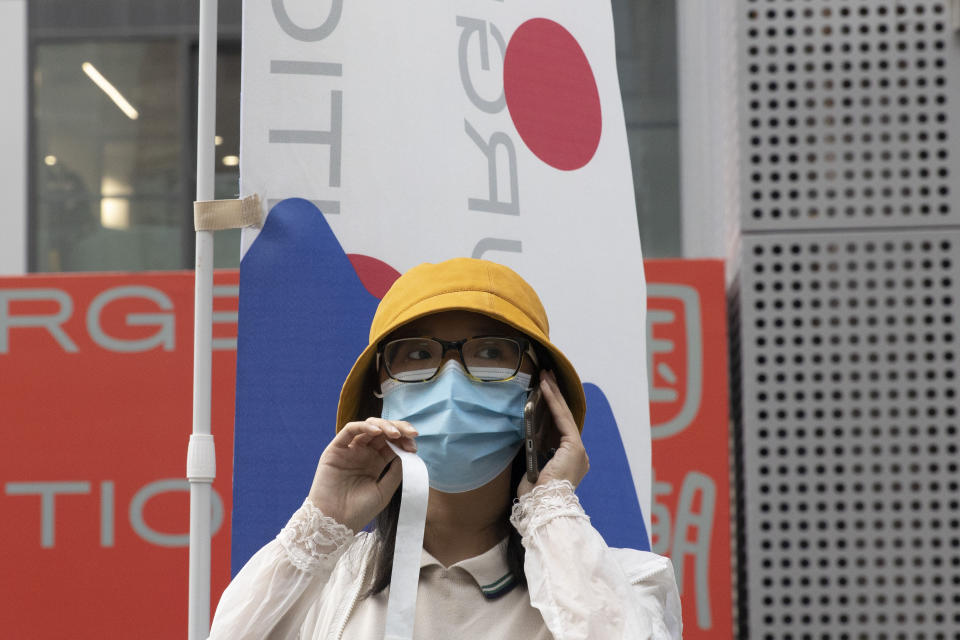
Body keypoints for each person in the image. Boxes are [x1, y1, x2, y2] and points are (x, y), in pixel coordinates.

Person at [208, 257, 682, 639]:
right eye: (417, 356)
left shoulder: (624, 582)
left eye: (492, 353)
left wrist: (553, 511)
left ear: (539, 399)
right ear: (381, 395)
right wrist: (322, 521)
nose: (452, 380)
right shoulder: (327, 583)